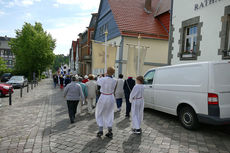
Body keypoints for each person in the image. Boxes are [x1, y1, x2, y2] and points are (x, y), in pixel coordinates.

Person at [96, 67, 117, 138]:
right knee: (109, 113)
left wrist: (101, 76)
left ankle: (100, 129)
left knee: (99, 112)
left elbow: (98, 82)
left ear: (107, 72)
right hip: (111, 97)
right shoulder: (114, 80)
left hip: (103, 96)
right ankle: (110, 130)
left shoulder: (103, 79)